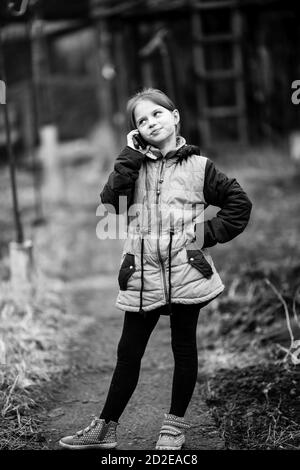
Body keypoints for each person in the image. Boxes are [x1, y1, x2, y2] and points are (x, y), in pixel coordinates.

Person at [59, 88, 252, 450]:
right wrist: (130, 155)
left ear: (175, 116)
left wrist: (201, 235)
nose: (151, 123)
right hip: (141, 272)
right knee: (128, 352)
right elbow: (111, 204)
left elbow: (239, 204)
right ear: (135, 132)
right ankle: (105, 429)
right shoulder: (134, 167)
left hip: (186, 270)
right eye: (141, 121)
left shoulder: (200, 168)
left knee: (184, 348)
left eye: (157, 115)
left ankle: (173, 428)